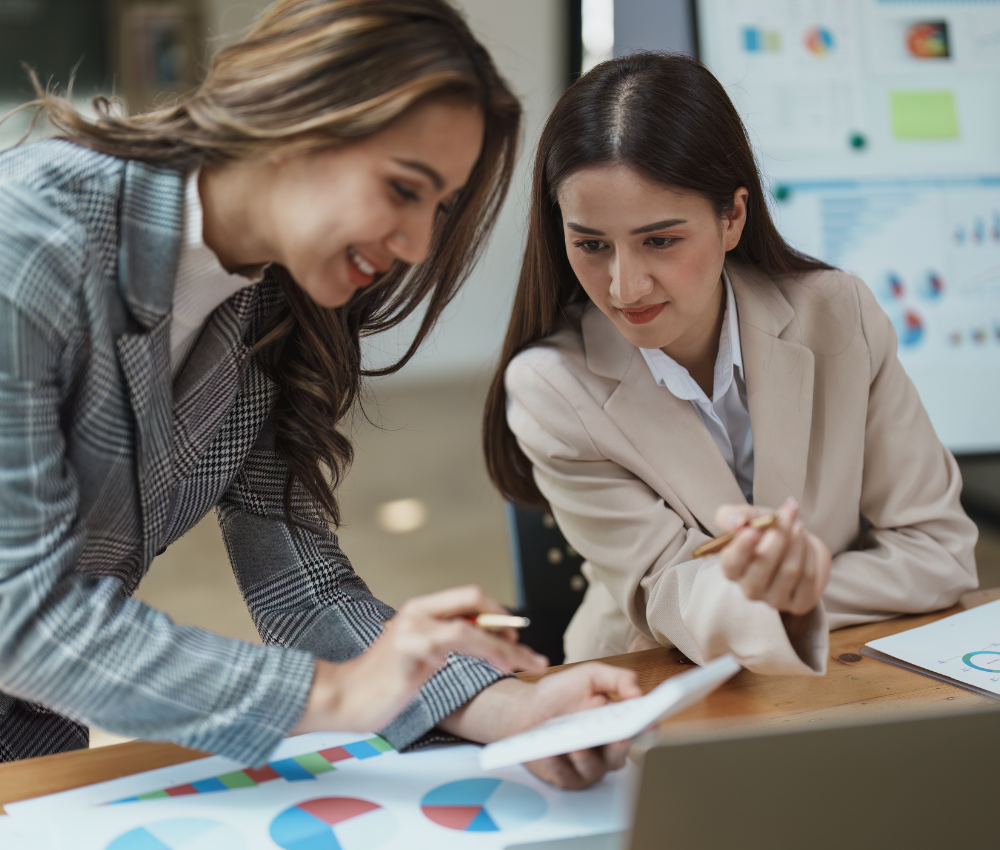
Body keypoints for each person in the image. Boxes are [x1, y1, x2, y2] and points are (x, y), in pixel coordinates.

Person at [0, 0, 641, 788]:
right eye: (403, 189)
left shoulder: (273, 302)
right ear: (300, 118)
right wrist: (338, 695)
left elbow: (300, 588)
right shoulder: (26, 242)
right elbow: (20, 617)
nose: (415, 247)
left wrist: (511, 710)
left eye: (438, 208)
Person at [484, 52, 978, 673]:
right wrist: (803, 597)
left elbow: (940, 551)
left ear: (733, 217)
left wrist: (799, 595)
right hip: (646, 683)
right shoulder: (550, 386)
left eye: (660, 240)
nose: (624, 287)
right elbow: (668, 593)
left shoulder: (838, 314)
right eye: (591, 244)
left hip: (841, 670)